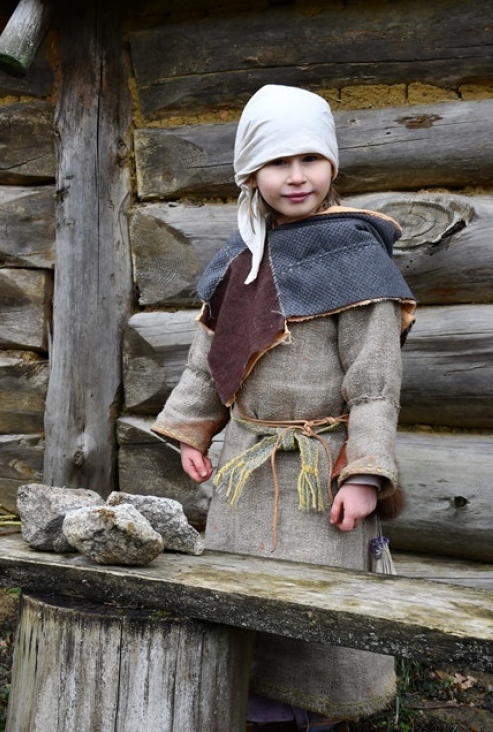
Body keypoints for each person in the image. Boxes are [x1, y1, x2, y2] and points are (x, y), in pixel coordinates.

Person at [151, 85, 416, 731]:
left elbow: (375, 381)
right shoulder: (240, 260)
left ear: (331, 166)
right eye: (276, 162)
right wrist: (192, 432)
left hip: (318, 477)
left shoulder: (356, 258)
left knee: (317, 616)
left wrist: (363, 475)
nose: (295, 177)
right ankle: (248, 715)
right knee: (240, 608)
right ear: (250, 174)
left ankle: (317, 720)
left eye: (309, 159)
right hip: (245, 467)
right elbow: (208, 358)